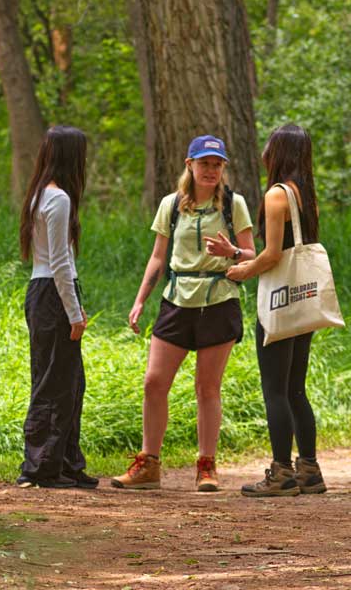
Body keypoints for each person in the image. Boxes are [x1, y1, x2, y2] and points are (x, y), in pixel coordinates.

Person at [112, 135, 256, 491]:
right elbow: (159, 256)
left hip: (218, 300)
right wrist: (140, 299)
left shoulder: (233, 205)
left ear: (223, 168)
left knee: (207, 387)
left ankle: (206, 467)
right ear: (189, 165)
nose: (211, 170)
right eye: (204, 163)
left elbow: (254, 255)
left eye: (217, 164)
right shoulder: (172, 204)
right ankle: (149, 465)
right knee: (154, 381)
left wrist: (232, 251)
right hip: (176, 300)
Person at [225, 124, 326, 497]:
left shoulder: (276, 195)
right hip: (304, 299)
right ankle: (309, 470)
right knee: (296, 388)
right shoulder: (307, 195)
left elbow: (271, 255)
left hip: (280, 302)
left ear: (277, 152)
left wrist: (243, 270)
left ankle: (281, 472)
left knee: (275, 390)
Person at [16, 125, 96, 489]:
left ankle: (65, 462)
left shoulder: (39, 194)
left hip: (42, 291)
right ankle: (42, 466)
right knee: (55, 382)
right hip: (52, 293)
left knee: (70, 382)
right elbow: (61, 261)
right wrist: (75, 313)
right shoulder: (59, 198)